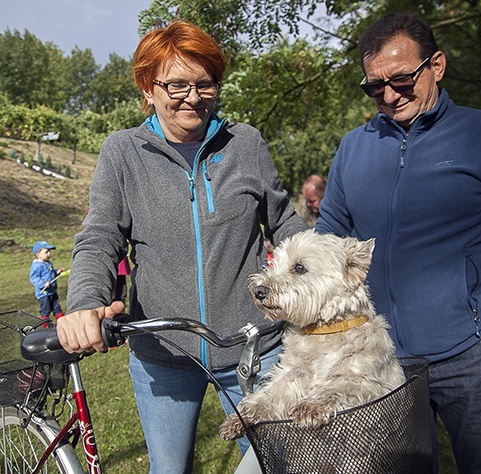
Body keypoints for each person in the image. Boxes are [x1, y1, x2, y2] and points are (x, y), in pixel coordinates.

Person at [314, 12, 481, 473]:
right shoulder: (353, 147)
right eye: (374, 87)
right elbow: (327, 237)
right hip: (380, 354)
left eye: (402, 79)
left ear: (437, 65)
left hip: (472, 351)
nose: (389, 96)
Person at [56, 21, 306, 474]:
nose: (192, 97)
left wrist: (322, 273)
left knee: (275, 463)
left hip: (255, 347)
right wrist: (85, 304)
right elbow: (99, 237)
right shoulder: (122, 152)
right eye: (176, 84)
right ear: (148, 88)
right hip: (164, 353)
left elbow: (285, 221)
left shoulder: (245, 143)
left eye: (204, 83)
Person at [29, 240, 65, 327]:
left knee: (57, 308)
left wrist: (57, 272)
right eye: (46, 252)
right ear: (38, 254)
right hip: (44, 294)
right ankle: (45, 327)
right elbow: (33, 278)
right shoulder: (36, 266)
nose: (49, 254)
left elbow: (50, 273)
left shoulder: (48, 263)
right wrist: (43, 284)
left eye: (49, 251)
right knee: (46, 310)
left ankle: (63, 324)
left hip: (52, 291)